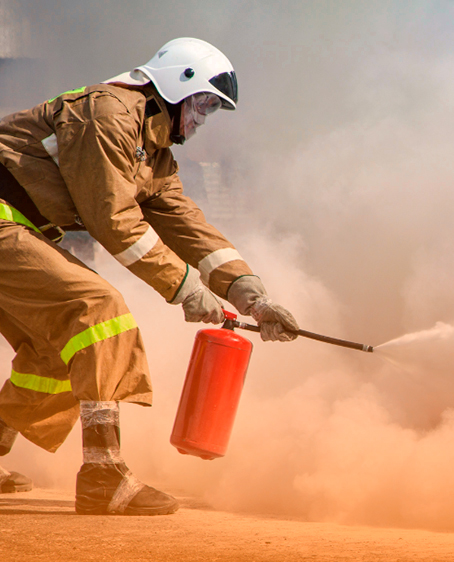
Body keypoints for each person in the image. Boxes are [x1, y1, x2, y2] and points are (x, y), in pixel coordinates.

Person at [0, 38, 299, 514]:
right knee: (98, 310)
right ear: (174, 87)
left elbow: (185, 222)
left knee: (57, 351)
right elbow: (113, 218)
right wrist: (184, 289)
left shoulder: (154, 154)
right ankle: (103, 475)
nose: (202, 120)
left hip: (21, 228)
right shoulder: (107, 114)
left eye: (211, 111)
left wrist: (251, 295)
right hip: (5, 220)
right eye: (202, 104)